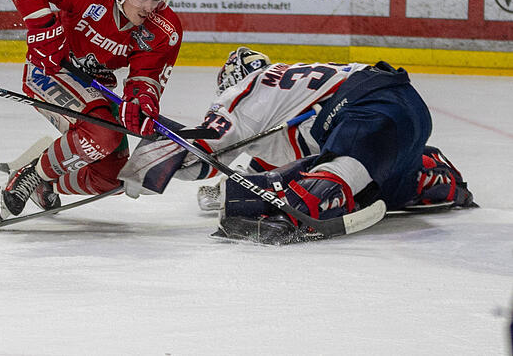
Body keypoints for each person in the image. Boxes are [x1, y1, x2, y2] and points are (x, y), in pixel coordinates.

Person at [119, 47, 476, 245]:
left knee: (322, 183)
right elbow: (255, 169)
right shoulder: (290, 97)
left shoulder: (243, 93)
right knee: (376, 181)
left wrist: (158, 153)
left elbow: (207, 148)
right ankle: (427, 172)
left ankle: (318, 199)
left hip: (365, 111)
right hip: (403, 110)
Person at [0, 0, 182, 221]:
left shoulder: (164, 29)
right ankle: (30, 177)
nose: (148, 8)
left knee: (111, 177)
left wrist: (140, 102)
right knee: (101, 135)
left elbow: (146, 78)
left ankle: (45, 181)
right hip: (50, 69)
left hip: (94, 85)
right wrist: (44, 29)